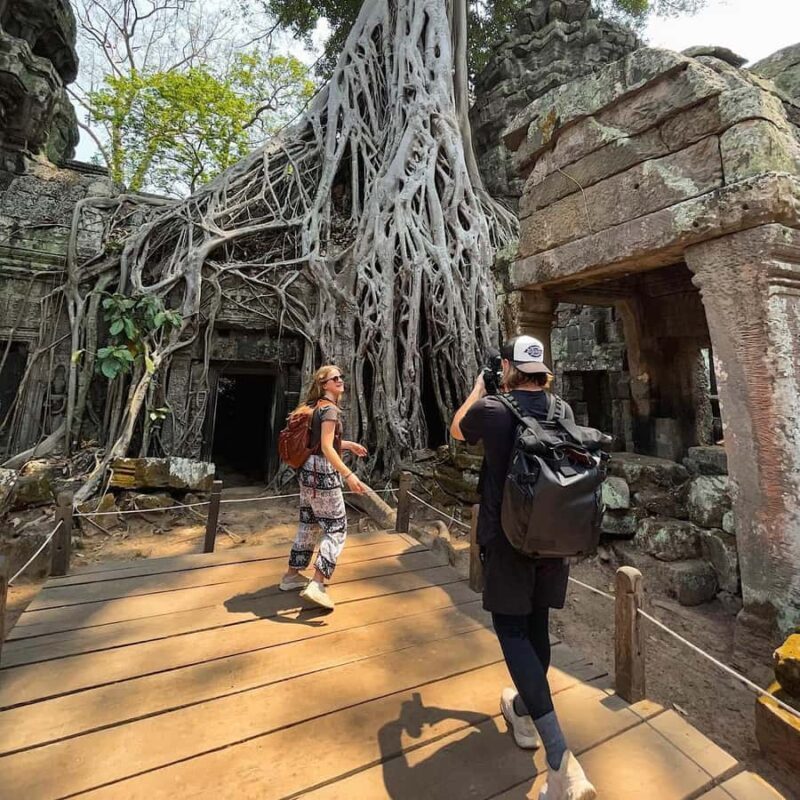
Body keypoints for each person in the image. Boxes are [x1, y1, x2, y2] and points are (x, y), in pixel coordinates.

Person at [450, 335, 596, 800]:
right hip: (555, 538)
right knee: (535, 627)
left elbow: (457, 430)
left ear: (509, 367)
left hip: (509, 540)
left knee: (512, 632)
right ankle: (526, 714)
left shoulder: (494, 409)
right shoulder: (562, 411)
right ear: (544, 371)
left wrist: (480, 387)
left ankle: (561, 761)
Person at [280, 365, 368, 610]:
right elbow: (327, 449)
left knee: (309, 523)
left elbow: (319, 443)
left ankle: (291, 575)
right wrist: (349, 475)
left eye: (341, 376)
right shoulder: (329, 410)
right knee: (337, 527)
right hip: (322, 474)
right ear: (324, 384)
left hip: (307, 471)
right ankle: (317, 583)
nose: (340, 380)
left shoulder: (314, 408)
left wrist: (348, 445)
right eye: (334, 378)